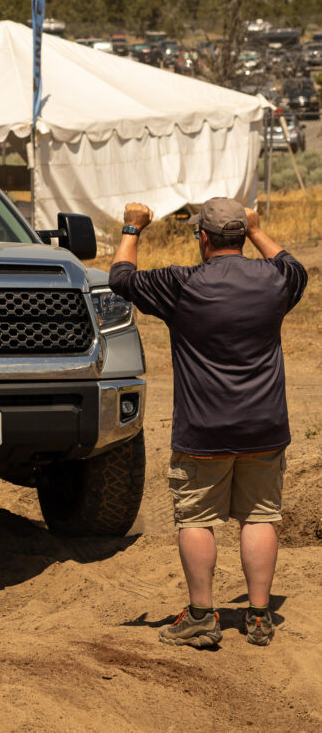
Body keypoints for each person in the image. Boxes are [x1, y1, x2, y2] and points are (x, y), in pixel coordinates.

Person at [109, 197, 307, 648]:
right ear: (241, 235)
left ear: (202, 237)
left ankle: (201, 613)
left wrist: (133, 228)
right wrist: (258, 231)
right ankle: (258, 617)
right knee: (260, 516)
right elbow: (292, 264)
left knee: (197, 518)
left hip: (204, 431)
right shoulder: (276, 281)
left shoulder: (181, 284)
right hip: (265, 427)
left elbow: (120, 278)